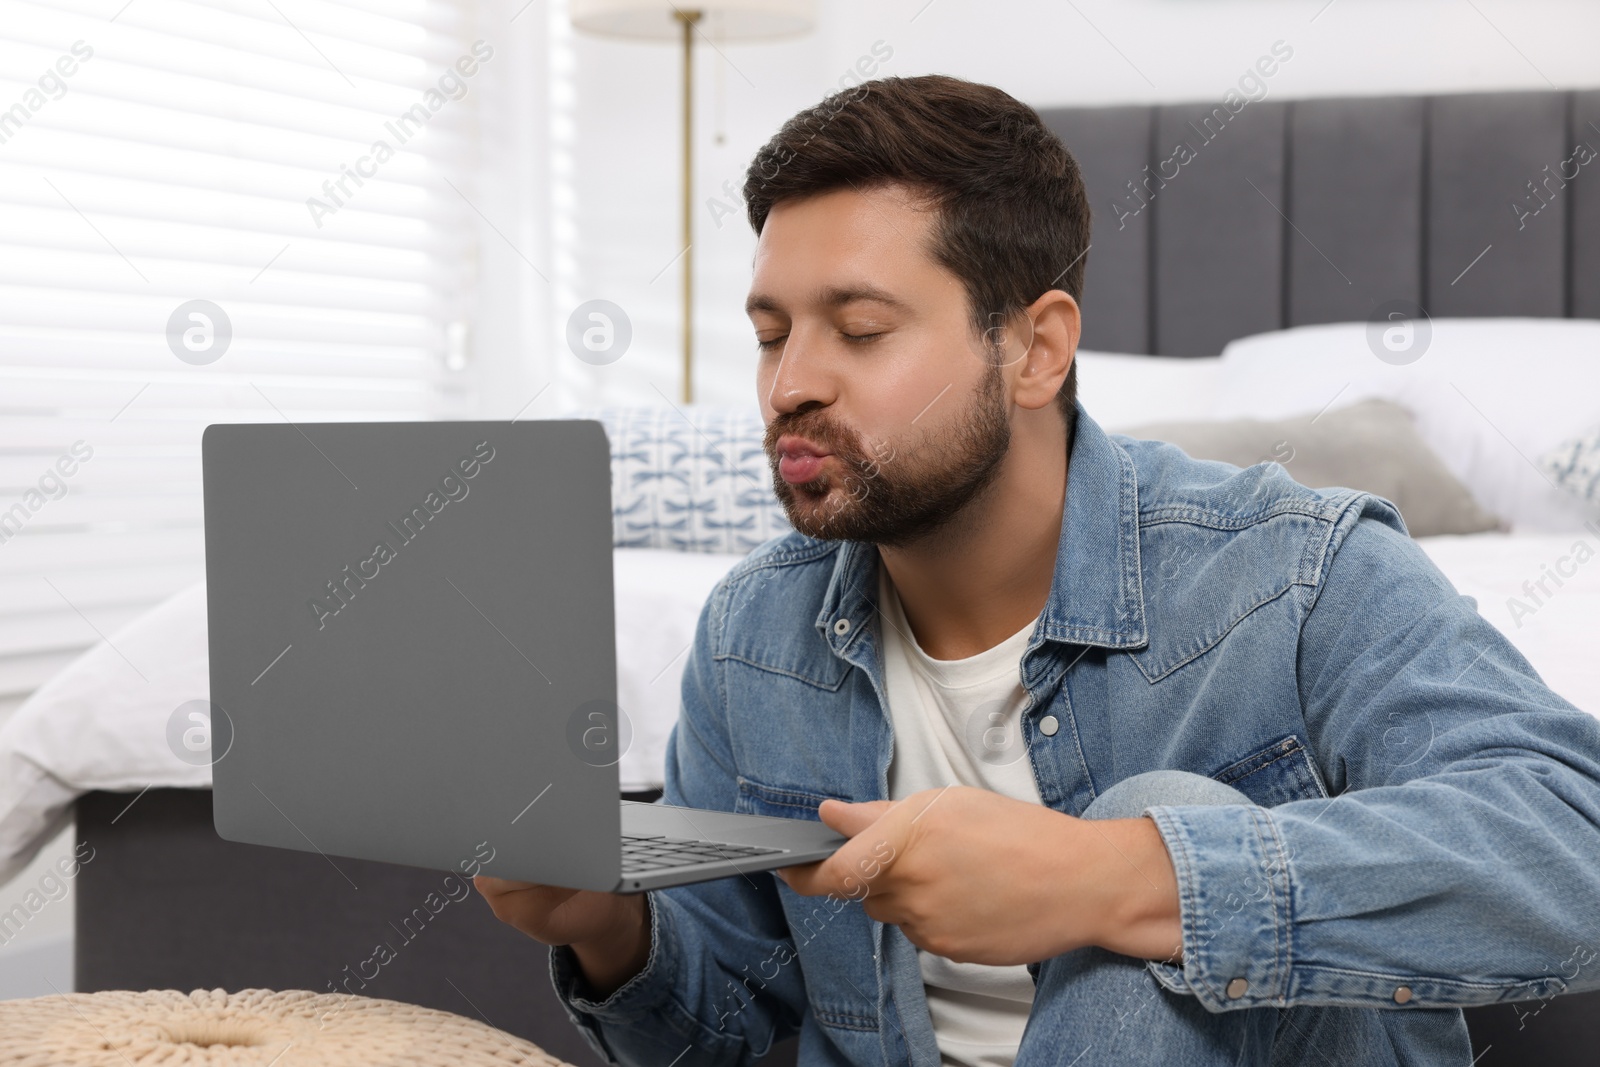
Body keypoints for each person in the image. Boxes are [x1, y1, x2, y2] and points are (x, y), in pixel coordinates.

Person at [475, 75, 1600, 1067]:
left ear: (1036, 347)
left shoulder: (1292, 568)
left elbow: (1572, 841)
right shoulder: (749, 633)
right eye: (772, 333)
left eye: (859, 329)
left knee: (1158, 818)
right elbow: (715, 1019)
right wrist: (607, 927)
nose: (788, 385)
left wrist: (1113, 876)